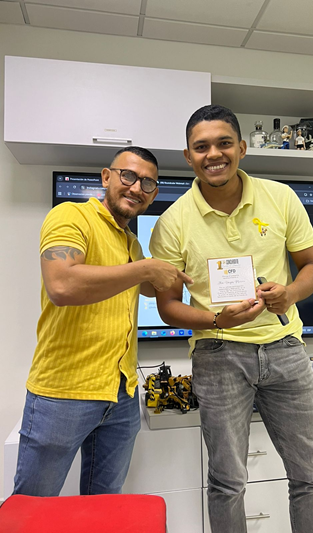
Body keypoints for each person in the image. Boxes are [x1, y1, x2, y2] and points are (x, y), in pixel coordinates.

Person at [149, 105, 313, 533]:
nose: (214, 154)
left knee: (312, 475)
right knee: (227, 481)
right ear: (188, 156)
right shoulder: (172, 222)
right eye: (201, 147)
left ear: (242, 148)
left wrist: (290, 294)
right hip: (218, 355)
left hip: (286, 350)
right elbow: (167, 306)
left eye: (224, 143)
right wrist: (217, 321)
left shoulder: (281, 197)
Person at [13, 146, 193, 497]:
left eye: (148, 183)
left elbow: (155, 285)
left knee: (106, 506)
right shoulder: (71, 216)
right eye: (128, 176)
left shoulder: (131, 243)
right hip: (63, 393)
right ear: (106, 177)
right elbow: (61, 285)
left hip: (122, 395)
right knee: (33, 508)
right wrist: (146, 268)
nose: (137, 187)